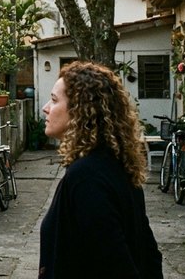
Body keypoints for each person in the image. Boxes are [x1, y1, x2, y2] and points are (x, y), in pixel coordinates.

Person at [39, 61, 163, 278]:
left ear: (80, 110)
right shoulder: (114, 164)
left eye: (54, 100)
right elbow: (149, 252)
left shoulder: (86, 176)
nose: (45, 107)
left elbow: (114, 262)